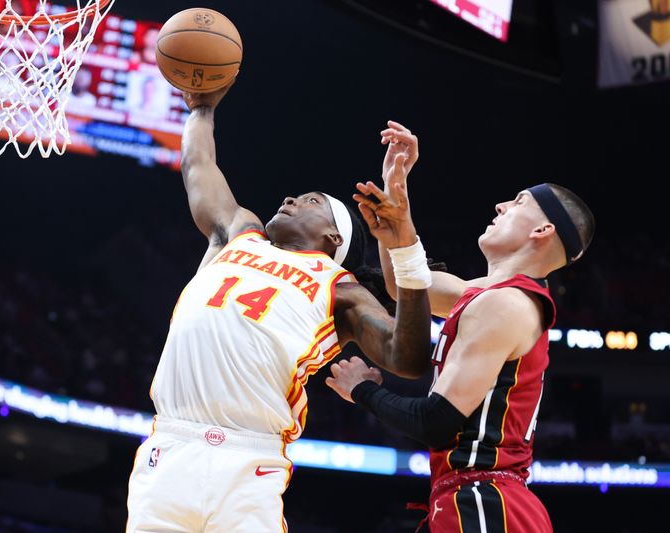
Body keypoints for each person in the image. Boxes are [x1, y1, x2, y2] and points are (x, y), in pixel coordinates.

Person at [125, 83, 435, 532]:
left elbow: (408, 359)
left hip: (248, 460)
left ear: (335, 238)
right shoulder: (238, 232)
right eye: (295, 196)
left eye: (311, 202)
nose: (290, 199)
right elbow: (198, 166)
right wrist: (202, 107)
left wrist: (404, 245)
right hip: (171, 446)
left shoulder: (341, 289)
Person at [327, 121, 596, 533]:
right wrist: (395, 200)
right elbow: (406, 287)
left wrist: (362, 389)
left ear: (543, 231)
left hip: (487, 500)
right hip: (471, 498)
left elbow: (435, 421)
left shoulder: (506, 306)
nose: (501, 206)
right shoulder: (487, 294)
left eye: (519, 203)